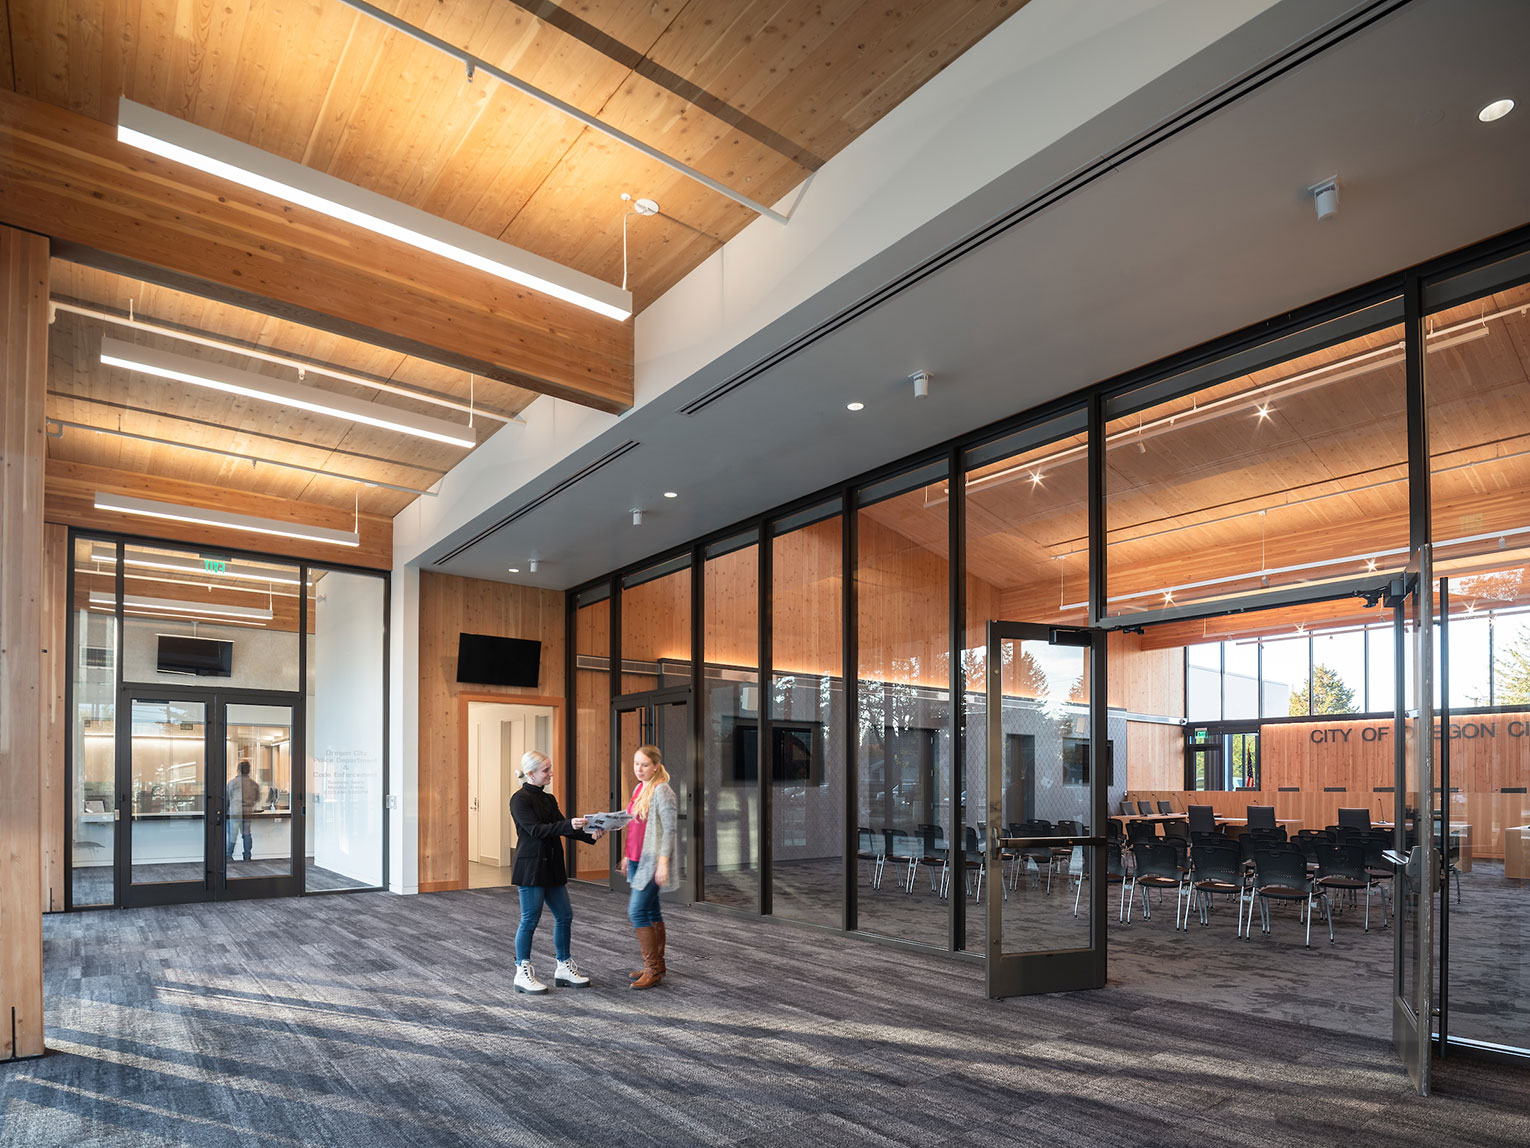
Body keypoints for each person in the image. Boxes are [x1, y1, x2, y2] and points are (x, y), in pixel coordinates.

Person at [509, 750, 601, 994]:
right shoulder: (519, 800)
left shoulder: (549, 799)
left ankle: (563, 966)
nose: (551, 773)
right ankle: (522, 971)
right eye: (546, 770)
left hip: (551, 866)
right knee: (530, 919)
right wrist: (567, 823)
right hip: (531, 868)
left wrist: (590, 834)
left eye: (550, 769)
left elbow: (563, 827)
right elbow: (536, 830)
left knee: (564, 916)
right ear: (530, 774)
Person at [620, 744, 679, 990]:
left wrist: (663, 863)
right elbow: (634, 826)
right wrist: (626, 856)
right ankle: (658, 964)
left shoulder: (661, 790)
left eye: (645, 764)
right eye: (636, 764)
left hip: (652, 862)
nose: (639, 769)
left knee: (636, 911)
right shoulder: (639, 788)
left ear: (656, 766)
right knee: (652, 912)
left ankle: (652, 969)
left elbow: (669, 830)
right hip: (636, 859)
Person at [225, 760, 261, 862]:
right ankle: (247, 856)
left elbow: (227, 799)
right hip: (247, 811)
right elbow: (257, 799)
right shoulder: (254, 784)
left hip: (235, 812)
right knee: (247, 834)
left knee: (232, 834)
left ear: (238, 770)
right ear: (249, 771)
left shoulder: (232, 783)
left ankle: (228, 856)